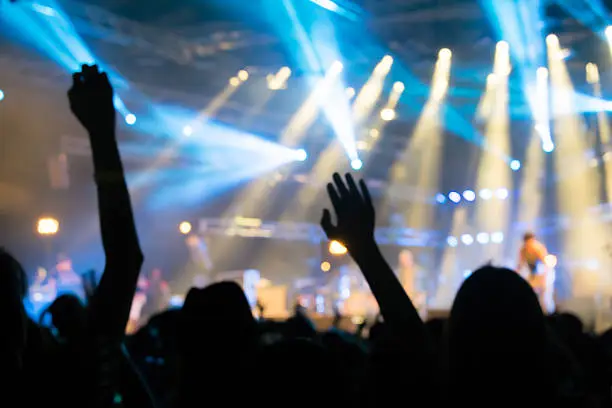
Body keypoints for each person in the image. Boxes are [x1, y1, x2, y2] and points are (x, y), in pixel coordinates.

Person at [517, 232, 549, 307]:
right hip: (531, 274)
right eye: (528, 242)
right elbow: (520, 264)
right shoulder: (523, 250)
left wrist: (543, 277)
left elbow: (545, 264)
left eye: (531, 242)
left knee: (543, 297)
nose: (530, 244)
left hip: (542, 273)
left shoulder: (539, 248)